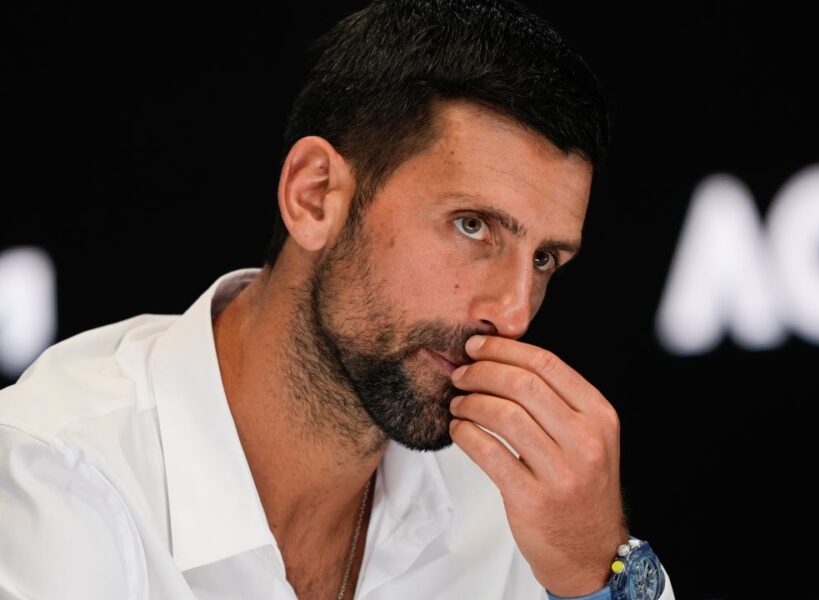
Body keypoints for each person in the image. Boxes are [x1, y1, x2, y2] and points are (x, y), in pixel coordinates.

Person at [0, 1, 673, 598]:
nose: (514, 312)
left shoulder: (511, 497)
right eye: (472, 226)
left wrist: (599, 575)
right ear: (315, 196)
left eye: (545, 259)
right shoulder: (51, 478)